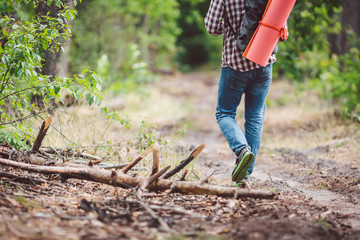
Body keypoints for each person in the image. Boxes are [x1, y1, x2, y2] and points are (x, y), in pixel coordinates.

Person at [205, 0, 277, 187]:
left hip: (235, 65)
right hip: (263, 63)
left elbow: (212, 27)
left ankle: (242, 149)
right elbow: (281, 29)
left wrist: (230, 27)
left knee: (225, 113)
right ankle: (244, 176)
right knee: (254, 118)